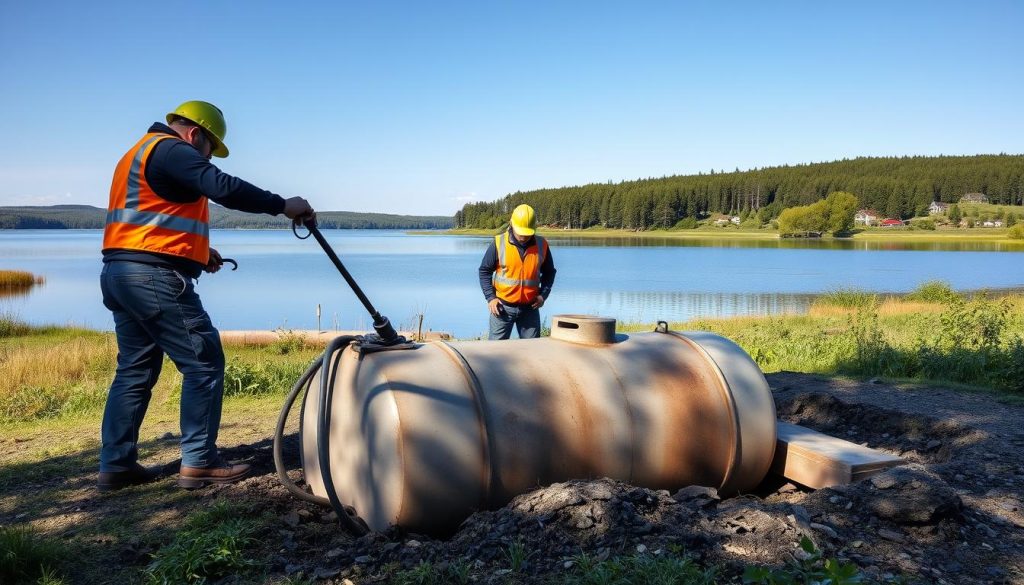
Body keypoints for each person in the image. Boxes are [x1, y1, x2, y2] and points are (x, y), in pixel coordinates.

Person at [97, 100, 316, 491]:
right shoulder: (172, 149)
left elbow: (149, 220)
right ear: (196, 135)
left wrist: (198, 253)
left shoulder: (137, 153)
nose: (208, 157)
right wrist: (283, 206)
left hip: (120, 272)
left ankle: (116, 465)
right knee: (203, 361)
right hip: (151, 278)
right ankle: (199, 461)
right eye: (210, 149)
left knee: (135, 370)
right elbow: (222, 187)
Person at [478, 204, 556, 339]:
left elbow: (549, 272)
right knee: (496, 352)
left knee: (532, 352)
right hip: (502, 308)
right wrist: (491, 298)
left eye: (527, 233)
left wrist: (543, 295)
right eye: (520, 232)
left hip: (530, 309)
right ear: (511, 224)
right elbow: (484, 271)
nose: (523, 237)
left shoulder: (541, 245)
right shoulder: (498, 243)